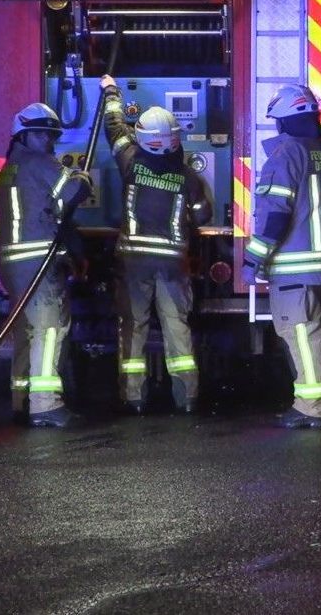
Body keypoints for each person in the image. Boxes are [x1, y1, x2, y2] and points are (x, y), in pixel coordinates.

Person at [101, 76, 211, 414]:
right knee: (177, 325)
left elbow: (114, 127)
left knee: (133, 326)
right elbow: (203, 216)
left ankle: (133, 397)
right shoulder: (189, 177)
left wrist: (111, 92)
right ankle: (187, 397)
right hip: (173, 265)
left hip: (134, 261)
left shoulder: (130, 161)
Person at [242, 85, 321, 428]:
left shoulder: (286, 154)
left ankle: (311, 408)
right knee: (317, 334)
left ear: (283, 122)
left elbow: (275, 214)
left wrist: (253, 259)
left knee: (301, 335)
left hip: (294, 267)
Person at [0, 103, 92, 427]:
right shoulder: (38, 163)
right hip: (38, 261)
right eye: (42, 134)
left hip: (13, 262)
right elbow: (75, 191)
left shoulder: (9, 167)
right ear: (23, 136)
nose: (49, 141)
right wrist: (83, 175)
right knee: (50, 329)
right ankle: (46, 405)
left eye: (52, 135)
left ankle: (21, 400)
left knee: (26, 331)